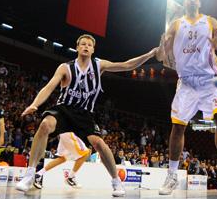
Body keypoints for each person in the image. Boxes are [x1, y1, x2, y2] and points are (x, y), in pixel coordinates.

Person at [15, 33, 157, 195]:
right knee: (45, 124)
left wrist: (149, 54)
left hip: (84, 114)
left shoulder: (99, 65)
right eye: (83, 44)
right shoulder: (65, 68)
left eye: (89, 45)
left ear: (93, 50)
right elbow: (49, 87)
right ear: (77, 47)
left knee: (99, 144)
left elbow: (126, 65)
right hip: (64, 109)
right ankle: (30, 175)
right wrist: (35, 104)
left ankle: (116, 182)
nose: (86, 47)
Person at [156, 0, 217, 194]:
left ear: (199, 2)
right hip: (186, 82)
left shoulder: (211, 22)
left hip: (210, 79)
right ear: (184, 2)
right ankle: (172, 175)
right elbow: (161, 57)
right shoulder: (176, 25)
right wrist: (161, 46)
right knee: (178, 127)